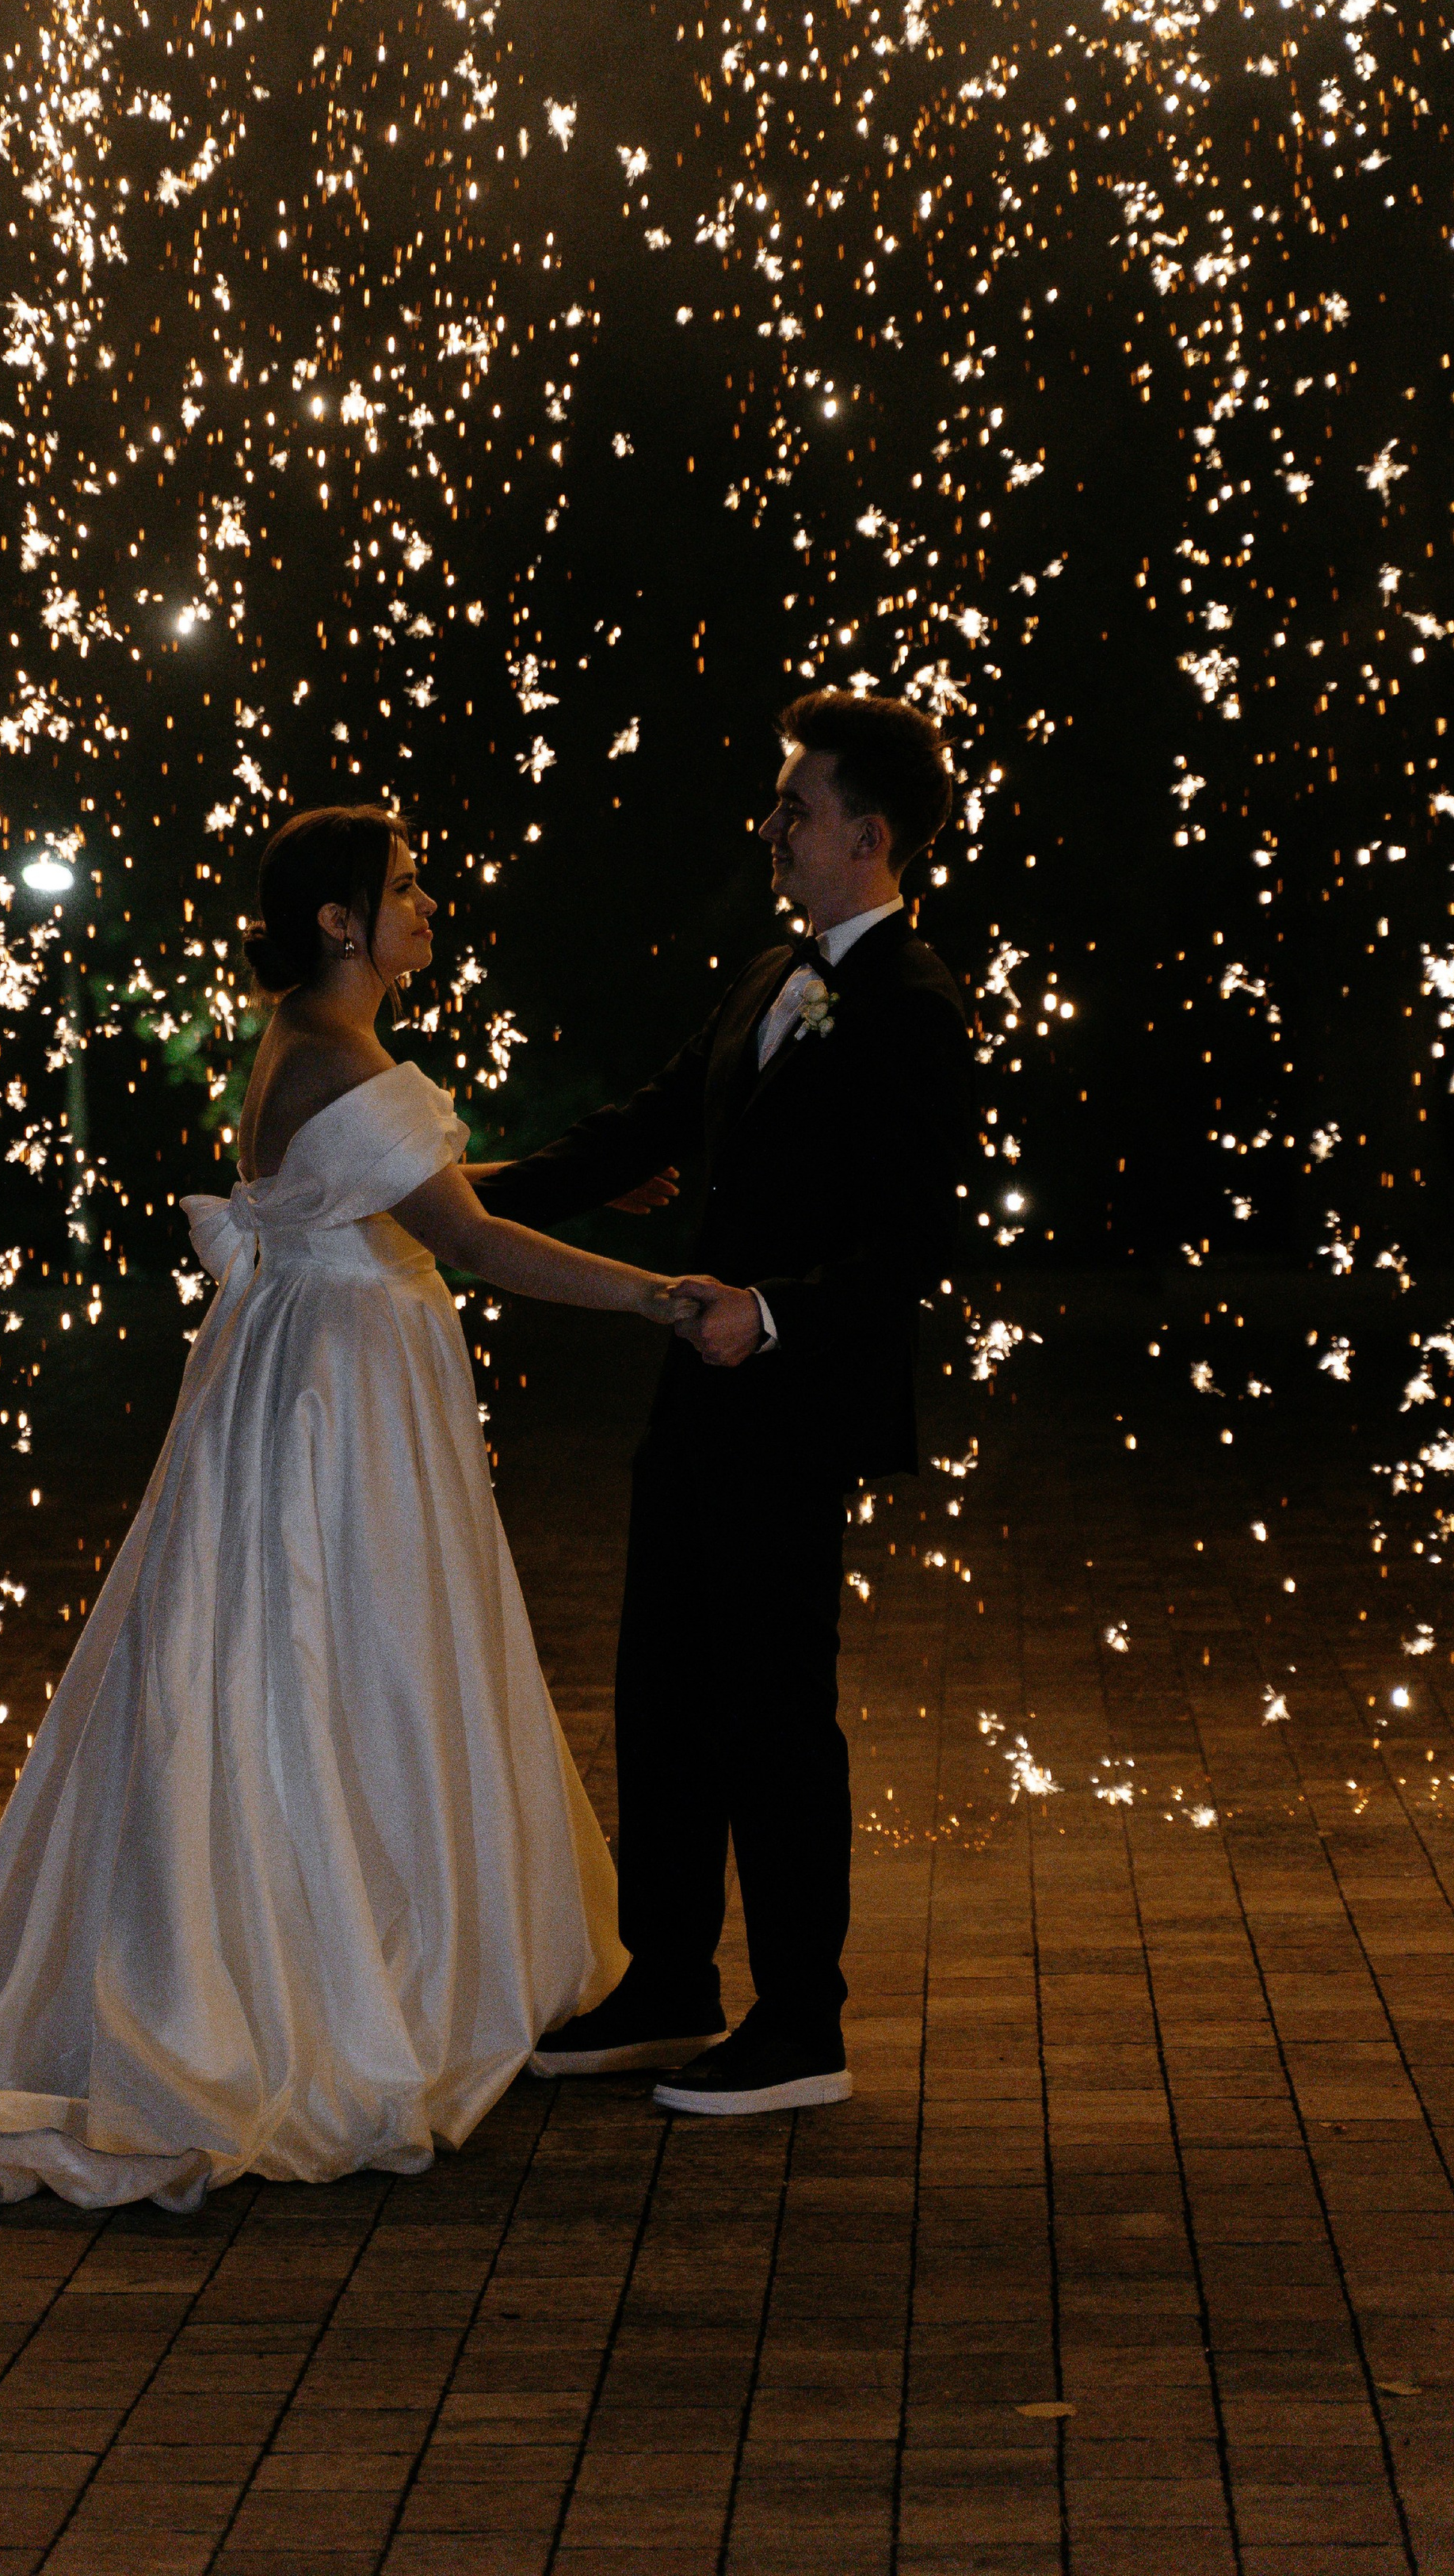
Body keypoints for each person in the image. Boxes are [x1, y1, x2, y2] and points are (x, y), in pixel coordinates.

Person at [0, 804, 700, 2212]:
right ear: (341, 921)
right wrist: (659, 1295)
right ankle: (320, 1980)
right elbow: (467, 1235)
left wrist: (592, 1190)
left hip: (318, 1375)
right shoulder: (335, 1053)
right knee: (328, 1655)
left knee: (329, 1658)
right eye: (406, 889)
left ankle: (356, 1941)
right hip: (338, 1405)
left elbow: (413, 1193)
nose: (429, 909)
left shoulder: (311, 1040)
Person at [479, 690, 974, 2117]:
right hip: (697, 1395)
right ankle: (672, 1977)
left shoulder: (914, 1010)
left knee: (773, 1707)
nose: (773, 830)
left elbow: (915, 1240)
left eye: (797, 811)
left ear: (870, 838)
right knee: (661, 1688)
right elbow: (642, 1123)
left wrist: (775, 1313)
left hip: (797, 1400)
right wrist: (444, 1204)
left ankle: (802, 2021)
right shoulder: (769, 977)